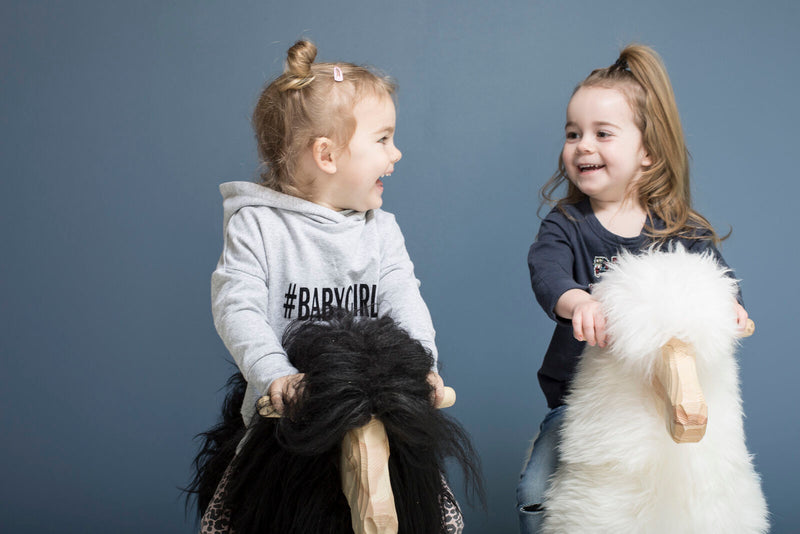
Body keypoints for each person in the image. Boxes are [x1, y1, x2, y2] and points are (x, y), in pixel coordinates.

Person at [204, 39, 454, 530]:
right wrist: (275, 375)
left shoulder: (380, 230)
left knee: (425, 509)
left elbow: (405, 299)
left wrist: (422, 365)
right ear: (327, 154)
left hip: (373, 415)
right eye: (383, 139)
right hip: (293, 422)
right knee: (247, 516)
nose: (396, 153)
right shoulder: (258, 228)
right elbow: (238, 307)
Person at [516, 44, 749, 534]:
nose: (583, 146)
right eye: (573, 133)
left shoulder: (679, 230)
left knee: (686, 496)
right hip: (582, 406)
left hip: (655, 401)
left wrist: (732, 310)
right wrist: (576, 299)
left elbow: (718, 283)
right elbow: (547, 270)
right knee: (536, 490)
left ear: (647, 151)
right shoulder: (568, 225)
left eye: (603, 133)